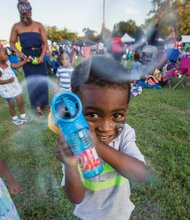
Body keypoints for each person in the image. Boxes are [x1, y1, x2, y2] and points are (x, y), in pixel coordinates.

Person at [53, 56, 147, 219]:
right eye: (93, 115)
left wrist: (96, 144)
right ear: (75, 108)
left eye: (117, 115)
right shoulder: (72, 143)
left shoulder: (124, 134)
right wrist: (70, 165)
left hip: (120, 214)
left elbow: (139, 174)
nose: (105, 127)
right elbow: (76, 197)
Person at [9, 0, 49, 117]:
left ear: (31, 12)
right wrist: (19, 53)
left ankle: (45, 103)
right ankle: (37, 106)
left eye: (27, 17)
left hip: (39, 54)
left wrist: (42, 56)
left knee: (42, 80)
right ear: (20, 14)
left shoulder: (39, 25)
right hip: (26, 57)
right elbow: (11, 43)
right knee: (32, 81)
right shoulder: (16, 26)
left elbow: (45, 43)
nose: (25, 20)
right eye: (23, 17)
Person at [0, 47, 32, 125]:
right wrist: (7, 81)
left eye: (7, 54)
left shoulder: (7, 62)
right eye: (4, 54)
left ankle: (23, 116)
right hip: (7, 89)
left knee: (20, 102)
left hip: (15, 86)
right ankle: (15, 118)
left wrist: (25, 61)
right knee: (11, 104)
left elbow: (16, 65)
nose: (7, 56)